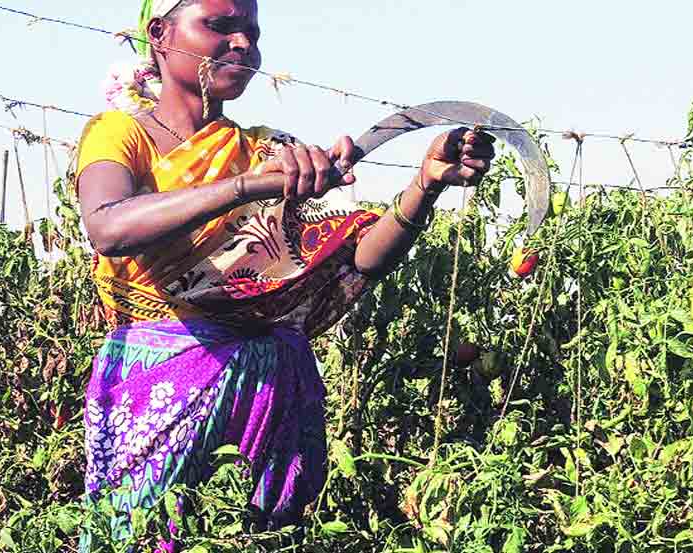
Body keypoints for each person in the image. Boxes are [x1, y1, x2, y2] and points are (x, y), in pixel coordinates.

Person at [75, 0, 495, 549]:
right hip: (162, 376)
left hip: (274, 383)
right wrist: (249, 187)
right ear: (160, 34)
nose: (243, 44)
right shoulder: (121, 135)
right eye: (220, 26)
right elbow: (108, 226)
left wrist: (424, 185)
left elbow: (356, 263)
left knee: (269, 537)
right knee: (142, 534)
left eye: (252, 32)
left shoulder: (266, 148)